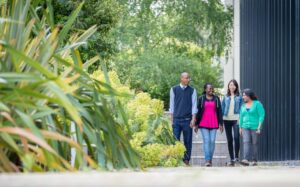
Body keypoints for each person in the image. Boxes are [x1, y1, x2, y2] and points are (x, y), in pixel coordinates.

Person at [169, 72, 197, 166]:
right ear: (181, 78)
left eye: (189, 78)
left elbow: (194, 106)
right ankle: (176, 159)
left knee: (188, 141)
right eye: (186, 78)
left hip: (187, 120)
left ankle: (186, 160)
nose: (188, 79)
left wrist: (193, 119)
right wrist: (171, 119)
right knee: (175, 141)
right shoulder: (174, 89)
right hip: (176, 120)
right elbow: (171, 105)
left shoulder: (192, 90)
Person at [195, 83, 223, 167]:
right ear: (205, 90)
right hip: (203, 123)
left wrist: (221, 123)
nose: (211, 90)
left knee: (212, 141)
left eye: (212, 89)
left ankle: (210, 159)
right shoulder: (201, 98)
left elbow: (219, 111)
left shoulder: (216, 99)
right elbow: (198, 111)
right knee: (206, 141)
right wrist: (196, 124)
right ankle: (207, 160)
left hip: (214, 123)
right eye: (209, 89)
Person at [239, 89, 265, 166]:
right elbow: (241, 117)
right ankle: (246, 159)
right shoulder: (243, 106)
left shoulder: (257, 104)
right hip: (245, 126)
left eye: (244, 95)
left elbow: (261, 115)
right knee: (246, 142)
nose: (243, 97)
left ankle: (254, 160)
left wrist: (259, 127)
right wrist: (240, 127)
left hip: (255, 127)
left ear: (248, 96)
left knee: (254, 143)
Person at [222, 79, 243, 166]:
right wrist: (221, 120)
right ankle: (231, 158)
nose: (232, 86)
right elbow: (222, 108)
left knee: (236, 138)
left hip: (236, 119)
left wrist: (240, 119)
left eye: (234, 85)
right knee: (229, 139)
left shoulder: (239, 97)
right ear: (228, 86)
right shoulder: (225, 97)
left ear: (236, 86)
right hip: (226, 120)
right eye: (230, 85)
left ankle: (236, 157)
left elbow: (242, 109)